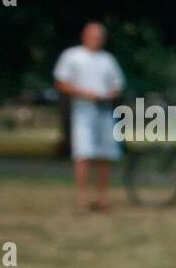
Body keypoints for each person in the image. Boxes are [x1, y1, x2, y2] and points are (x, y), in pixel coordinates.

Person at [53, 22, 125, 213]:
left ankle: (102, 198)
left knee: (105, 154)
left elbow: (117, 85)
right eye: (94, 36)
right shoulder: (72, 56)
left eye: (100, 36)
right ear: (84, 36)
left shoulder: (107, 59)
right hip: (83, 110)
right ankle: (82, 199)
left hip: (104, 110)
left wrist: (109, 94)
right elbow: (61, 82)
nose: (97, 40)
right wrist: (84, 93)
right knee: (83, 153)